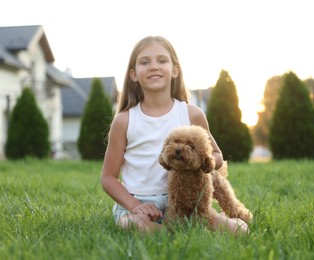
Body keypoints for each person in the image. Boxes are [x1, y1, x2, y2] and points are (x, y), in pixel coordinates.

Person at [100, 36, 249, 235]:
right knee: (132, 224)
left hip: (187, 201)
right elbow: (108, 178)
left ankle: (186, 227)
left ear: (175, 70)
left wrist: (200, 162)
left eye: (162, 60)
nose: (154, 66)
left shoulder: (191, 113)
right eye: (145, 62)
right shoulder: (124, 120)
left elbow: (217, 156)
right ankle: (174, 234)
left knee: (241, 231)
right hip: (140, 204)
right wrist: (135, 205)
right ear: (134, 75)